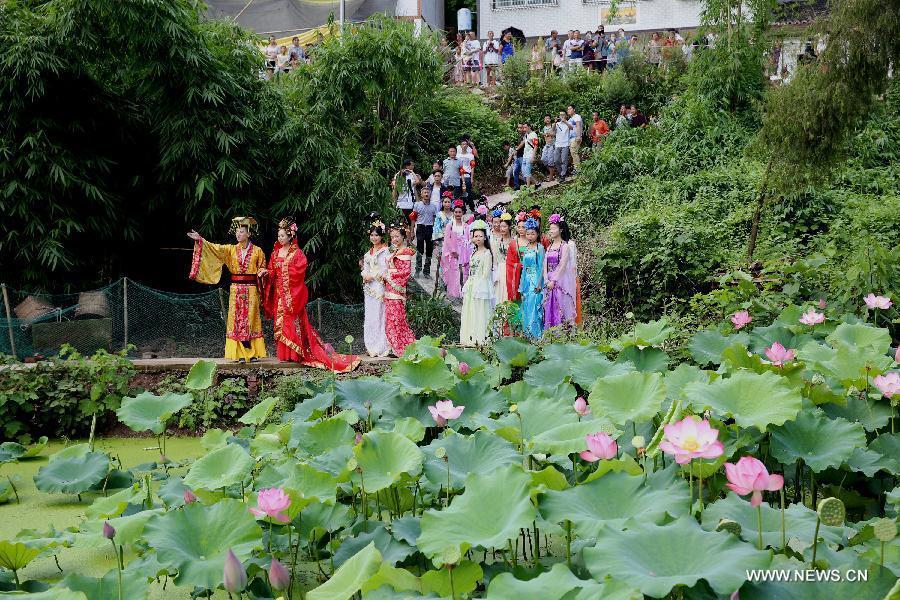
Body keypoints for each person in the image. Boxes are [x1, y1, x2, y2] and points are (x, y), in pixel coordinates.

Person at [262, 217, 359, 370]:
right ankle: (285, 355)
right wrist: (266, 273)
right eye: (278, 236)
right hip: (279, 295)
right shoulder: (275, 253)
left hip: (292, 295)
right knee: (282, 323)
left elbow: (299, 274)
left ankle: (295, 354)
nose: (280, 238)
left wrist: (285, 280)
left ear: (290, 236)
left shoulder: (297, 254)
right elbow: (273, 271)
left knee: (293, 322)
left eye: (282, 236)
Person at [188, 216, 268, 363]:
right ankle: (238, 353)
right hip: (236, 289)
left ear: (248, 234)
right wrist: (201, 240)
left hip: (251, 290)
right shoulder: (230, 250)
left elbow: (262, 266)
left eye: (242, 231)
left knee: (251, 318)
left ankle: (253, 353)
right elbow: (214, 248)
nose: (238, 234)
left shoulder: (258, 251)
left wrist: (263, 271)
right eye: (237, 231)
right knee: (236, 319)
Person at [384, 223, 416, 356]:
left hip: (396, 287)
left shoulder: (405, 252)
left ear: (403, 236)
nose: (394, 239)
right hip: (388, 286)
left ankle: (401, 346)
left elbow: (405, 272)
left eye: (397, 236)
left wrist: (389, 274)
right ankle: (392, 346)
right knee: (390, 317)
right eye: (392, 237)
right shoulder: (395, 251)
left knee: (397, 317)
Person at [460, 220, 494, 346]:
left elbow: (486, 274)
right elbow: (470, 271)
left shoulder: (487, 253)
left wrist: (478, 286)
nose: (478, 238)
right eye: (475, 236)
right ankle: (469, 338)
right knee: (470, 311)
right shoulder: (474, 252)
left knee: (479, 311)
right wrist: (469, 284)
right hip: (471, 284)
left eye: (480, 236)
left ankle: (480, 339)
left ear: (485, 237)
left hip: (480, 286)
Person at [543, 214, 577, 331]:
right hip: (549, 281)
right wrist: (546, 279)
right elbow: (545, 265)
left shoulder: (565, 246)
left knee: (562, 307)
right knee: (549, 308)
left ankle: (564, 334)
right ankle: (551, 335)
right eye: (550, 229)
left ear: (560, 230)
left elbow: (562, 265)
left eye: (553, 228)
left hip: (561, 281)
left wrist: (554, 280)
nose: (551, 231)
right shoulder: (549, 247)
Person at [361, 219, 390, 357]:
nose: (374, 237)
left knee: (380, 315)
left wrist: (371, 277)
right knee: (370, 316)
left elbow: (385, 270)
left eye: (376, 235)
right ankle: (370, 345)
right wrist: (365, 275)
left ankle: (381, 346)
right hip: (369, 288)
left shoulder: (385, 251)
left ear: (381, 236)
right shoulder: (369, 252)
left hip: (379, 286)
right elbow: (365, 268)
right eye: (372, 235)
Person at [519, 217, 545, 339]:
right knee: (527, 306)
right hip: (527, 280)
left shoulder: (540, 248)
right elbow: (524, 269)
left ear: (537, 234)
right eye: (528, 233)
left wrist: (539, 284)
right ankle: (527, 334)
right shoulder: (527, 248)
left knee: (535, 305)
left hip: (536, 279)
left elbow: (542, 267)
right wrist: (522, 285)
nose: (530, 236)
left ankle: (536, 335)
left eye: (532, 234)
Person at [440, 201, 470, 298]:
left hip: (464, 251)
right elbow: (447, 239)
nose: (458, 214)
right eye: (456, 212)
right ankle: (454, 293)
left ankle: (463, 292)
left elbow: (469, 239)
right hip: (453, 252)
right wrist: (453, 251)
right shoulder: (450, 225)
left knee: (464, 271)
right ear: (453, 213)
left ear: (463, 213)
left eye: (459, 212)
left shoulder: (466, 226)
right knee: (454, 272)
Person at [413, 186, 439, 277]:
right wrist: (412, 230)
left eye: (428, 192)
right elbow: (413, 218)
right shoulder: (417, 205)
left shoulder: (434, 206)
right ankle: (417, 270)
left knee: (429, 249)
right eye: (425, 192)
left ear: (430, 194)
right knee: (419, 249)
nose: (426, 194)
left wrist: (436, 234)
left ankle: (427, 271)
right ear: (421, 194)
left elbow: (436, 221)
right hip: (420, 227)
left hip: (429, 228)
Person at [391, 159, 420, 232]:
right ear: (407, 166)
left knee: (411, 222)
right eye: (412, 165)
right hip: (400, 204)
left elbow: (417, 182)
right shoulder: (398, 174)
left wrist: (412, 172)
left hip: (410, 203)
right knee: (401, 223)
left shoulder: (411, 175)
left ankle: (409, 239)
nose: (413, 166)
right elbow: (394, 186)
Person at [432, 193, 454, 286]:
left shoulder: (454, 214)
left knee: (452, 261)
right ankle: (442, 282)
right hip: (442, 241)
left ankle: (451, 282)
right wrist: (436, 242)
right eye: (445, 202)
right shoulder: (439, 215)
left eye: (449, 202)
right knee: (442, 261)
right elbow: (436, 228)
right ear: (442, 203)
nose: (447, 204)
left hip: (453, 242)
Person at [493, 211, 513, 306]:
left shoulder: (514, 241)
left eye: (504, 226)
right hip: (500, 269)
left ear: (509, 227)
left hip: (510, 269)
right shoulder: (497, 242)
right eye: (501, 227)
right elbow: (495, 259)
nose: (502, 229)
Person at [457, 139, 476, 211]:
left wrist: (472, 178)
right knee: (460, 193)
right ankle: (463, 209)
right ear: (460, 145)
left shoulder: (471, 155)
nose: (464, 145)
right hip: (458, 176)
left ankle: (472, 208)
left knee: (469, 192)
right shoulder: (457, 156)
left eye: (465, 144)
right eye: (462, 144)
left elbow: (472, 167)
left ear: (467, 145)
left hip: (467, 176)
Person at [554, 111, 573, 180]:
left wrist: (565, 121)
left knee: (564, 160)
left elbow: (571, 128)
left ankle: (563, 175)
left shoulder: (568, 122)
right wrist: (555, 122)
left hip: (565, 144)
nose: (561, 116)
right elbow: (553, 131)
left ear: (566, 116)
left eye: (563, 115)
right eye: (560, 115)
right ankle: (560, 172)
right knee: (556, 160)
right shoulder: (557, 124)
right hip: (557, 144)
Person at [521, 122, 539, 188]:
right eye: (524, 128)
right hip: (525, 155)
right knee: (524, 171)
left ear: (529, 127)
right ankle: (536, 183)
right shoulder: (526, 134)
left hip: (530, 155)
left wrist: (533, 156)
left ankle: (528, 187)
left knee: (528, 171)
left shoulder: (533, 134)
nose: (524, 129)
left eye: (525, 127)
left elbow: (536, 146)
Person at [567, 105, 583, 174]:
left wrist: (579, 136)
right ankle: (576, 168)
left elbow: (578, 125)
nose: (568, 110)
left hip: (576, 137)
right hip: (571, 139)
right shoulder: (570, 119)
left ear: (574, 109)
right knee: (573, 153)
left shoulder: (577, 116)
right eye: (568, 109)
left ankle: (578, 169)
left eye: (570, 109)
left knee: (574, 152)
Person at [541, 115, 556, 180]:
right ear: (544, 120)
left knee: (550, 161)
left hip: (552, 145)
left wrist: (547, 134)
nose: (547, 119)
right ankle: (552, 172)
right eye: (546, 118)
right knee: (543, 159)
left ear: (550, 119)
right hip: (546, 145)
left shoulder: (553, 125)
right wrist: (545, 135)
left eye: (548, 118)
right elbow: (545, 136)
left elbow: (554, 134)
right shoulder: (544, 127)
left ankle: (551, 176)